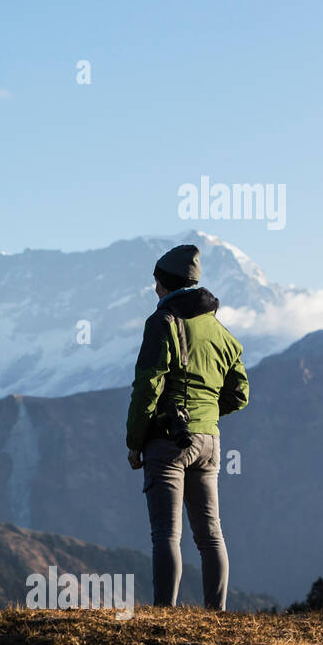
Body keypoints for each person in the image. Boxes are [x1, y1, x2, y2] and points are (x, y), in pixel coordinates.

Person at [126, 245, 249, 610]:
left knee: (166, 533)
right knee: (210, 535)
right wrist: (206, 416)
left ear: (165, 284)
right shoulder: (224, 334)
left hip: (168, 441)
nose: (153, 289)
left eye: (155, 282)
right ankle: (217, 614)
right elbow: (239, 395)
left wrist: (135, 440)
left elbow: (148, 385)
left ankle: (166, 613)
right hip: (210, 442)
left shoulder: (162, 323)